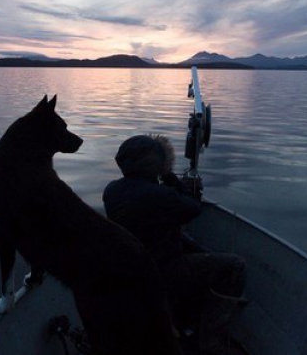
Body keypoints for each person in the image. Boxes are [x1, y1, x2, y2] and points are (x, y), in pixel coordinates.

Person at [103, 134, 246, 354]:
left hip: (131, 271)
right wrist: (171, 177)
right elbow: (193, 208)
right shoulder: (161, 195)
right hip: (164, 272)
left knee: (189, 245)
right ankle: (210, 341)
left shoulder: (111, 190)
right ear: (156, 165)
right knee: (235, 266)